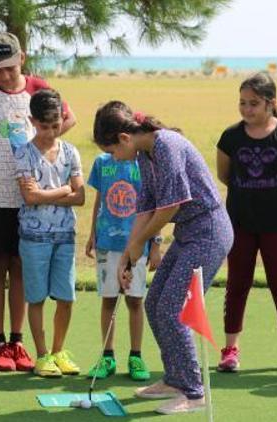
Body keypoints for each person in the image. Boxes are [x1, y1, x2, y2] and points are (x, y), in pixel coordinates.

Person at [93, 101, 233, 414]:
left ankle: (194, 393)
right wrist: (129, 258)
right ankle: (174, 379)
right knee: (155, 302)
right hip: (188, 234)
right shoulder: (144, 155)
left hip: (209, 233)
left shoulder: (167, 145)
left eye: (112, 150)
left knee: (173, 309)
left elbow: (170, 207)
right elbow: (145, 208)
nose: (114, 157)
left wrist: (139, 243)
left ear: (125, 139)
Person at [0, 31, 76, 372]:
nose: (5, 76)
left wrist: (40, 148)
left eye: (10, 68)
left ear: (22, 58)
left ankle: (18, 341)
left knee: (23, 267)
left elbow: (67, 119)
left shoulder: (39, 87)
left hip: (35, 198)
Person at [216, 73, 277, 374]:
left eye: (254, 103)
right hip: (240, 223)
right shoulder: (230, 137)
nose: (247, 109)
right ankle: (230, 349)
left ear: (272, 103)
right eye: (242, 103)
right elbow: (224, 175)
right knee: (237, 284)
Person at [14, 89, 85, 378]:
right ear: (32, 121)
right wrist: (64, 189)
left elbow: (80, 196)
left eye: (56, 125)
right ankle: (42, 355)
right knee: (37, 298)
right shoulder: (23, 153)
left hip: (65, 235)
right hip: (33, 237)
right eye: (44, 126)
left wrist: (46, 194)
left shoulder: (70, 152)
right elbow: (29, 198)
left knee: (66, 297)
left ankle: (58, 352)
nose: (51, 132)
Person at [85, 147, 160, 381]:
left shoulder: (143, 163)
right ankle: (108, 357)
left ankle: (135, 356)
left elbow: (155, 206)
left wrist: (155, 243)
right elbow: (99, 199)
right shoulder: (101, 162)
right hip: (107, 241)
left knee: (135, 301)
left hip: (137, 243)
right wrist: (92, 234)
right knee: (109, 300)